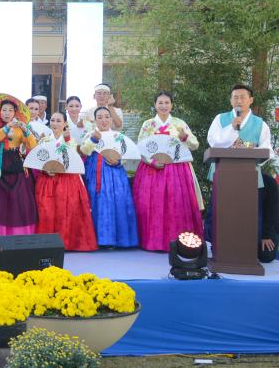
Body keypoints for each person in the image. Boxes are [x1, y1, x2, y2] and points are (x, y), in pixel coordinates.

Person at [206, 84, 277, 256]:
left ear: (250, 100)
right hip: (223, 174)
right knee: (221, 212)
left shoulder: (260, 124)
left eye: (243, 97)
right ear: (231, 100)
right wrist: (231, 128)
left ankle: (247, 251)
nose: (239, 100)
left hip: (250, 176)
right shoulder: (220, 119)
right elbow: (213, 142)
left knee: (247, 213)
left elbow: (267, 150)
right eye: (235, 97)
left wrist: (247, 150)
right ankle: (219, 248)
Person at [133, 92, 204, 251]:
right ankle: (152, 241)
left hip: (177, 170)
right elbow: (140, 148)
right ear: (155, 105)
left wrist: (185, 137)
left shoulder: (179, 123)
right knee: (151, 203)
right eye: (160, 102)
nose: (163, 106)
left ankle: (178, 241)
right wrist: (151, 161)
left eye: (167, 102)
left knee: (176, 203)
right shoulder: (148, 124)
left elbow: (195, 145)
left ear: (172, 105)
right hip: (152, 169)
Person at [34, 113, 98, 251]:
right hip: (48, 180)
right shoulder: (44, 140)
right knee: (47, 212)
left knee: (67, 211)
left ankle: (67, 242)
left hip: (68, 181)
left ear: (64, 124)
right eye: (52, 120)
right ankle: (47, 243)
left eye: (58, 121)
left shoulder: (70, 140)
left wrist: (91, 139)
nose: (55, 123)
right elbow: (38, 160)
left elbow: (77, 155)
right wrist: (45, 169)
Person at [80, 107, 139, 247]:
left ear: (111, 119)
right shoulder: (89, 135)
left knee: (119, 200)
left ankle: (119, 239)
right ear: (95, 120)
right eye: (99, 117)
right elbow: (84, 151)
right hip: (95, 172)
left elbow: (126, 154)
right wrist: (94, 140)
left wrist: (119, 162)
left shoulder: (118, 136)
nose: (104, 120)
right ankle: (100, 239)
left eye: (107, 116)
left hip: (116, 172)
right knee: (98, 201)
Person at [0, 96, 39, 242]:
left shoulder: (20, 128)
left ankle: (16, 235)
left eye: (10, 110)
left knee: (18, 200)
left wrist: (26, 131)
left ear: (15, 113)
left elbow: (33, 146)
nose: (6, 113)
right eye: (4, 110)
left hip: (15, 163)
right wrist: (6, 128)